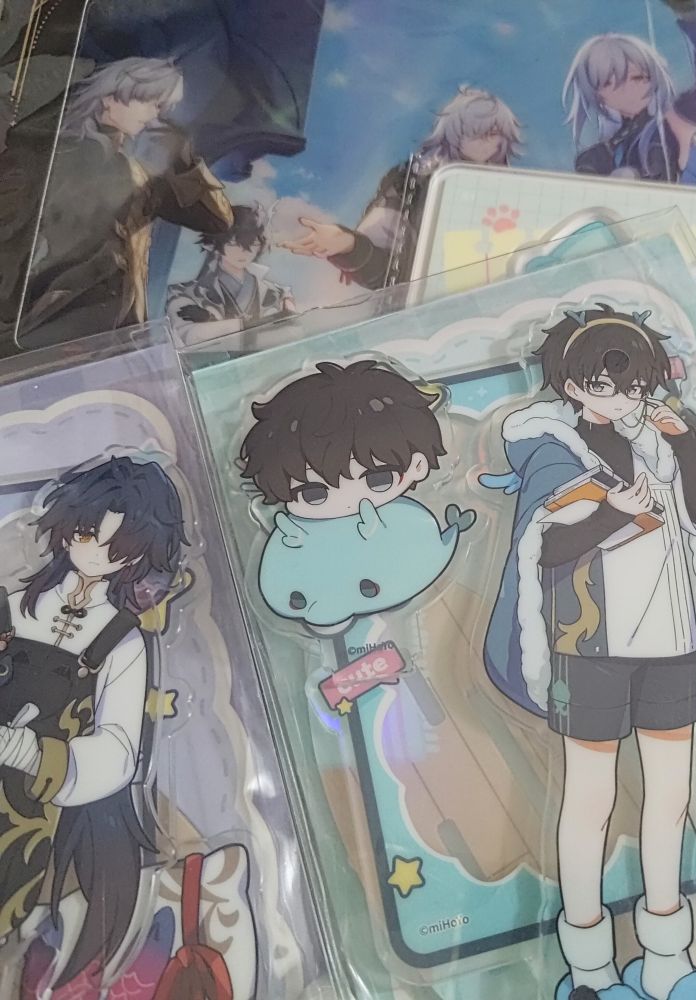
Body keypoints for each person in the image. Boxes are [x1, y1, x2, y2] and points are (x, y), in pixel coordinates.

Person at [480, 305, 696, 1000]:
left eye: (635, 386)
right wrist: (614, 514)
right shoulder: (554, 450)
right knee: (589, 798)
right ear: (571, 386)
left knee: (670, 796)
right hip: (588, 645)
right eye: (605, 386)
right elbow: (545, 549)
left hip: (672, 640)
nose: (624, 398)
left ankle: (668, 954)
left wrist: (685, 448)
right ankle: (589, 966)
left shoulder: (662, 440)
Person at [0, 456, 187, 988]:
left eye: (117, 547)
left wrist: (28, 753)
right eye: (84, 533)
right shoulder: (12, 606)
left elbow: (119, 749)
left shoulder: (122, 641)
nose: (94, 552)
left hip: (31, 812)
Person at [0, 57, 233, 354]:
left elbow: (216, 221)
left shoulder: (137, 173)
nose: (155, 114)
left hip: (117, 329)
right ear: (109, 97)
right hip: (47, 326)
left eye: (163, 107)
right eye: (149, 101)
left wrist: (183, 159)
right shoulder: (45, 158)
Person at [240, 361, 475, 629]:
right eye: (313, 493)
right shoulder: (292, 541)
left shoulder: (407, 524)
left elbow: (425, 555)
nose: (346, 501)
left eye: (378, 479)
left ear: (418, 465)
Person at [281, 86, 522, 289]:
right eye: (476, 133)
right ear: (453, 133)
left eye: (494, 133)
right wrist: (349, 245)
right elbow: (388, 273)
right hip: (430, 309)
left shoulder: (514, 188)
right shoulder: (412, 182)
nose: (487, 142)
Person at [562, 0, 696, 185]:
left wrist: (689, 16)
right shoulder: (606, 152)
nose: (628, 87)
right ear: (598, 95)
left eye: (637, 77)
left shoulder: (670, 123)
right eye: (610, 83)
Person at [166, 204, 295, 345]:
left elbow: (292, 332)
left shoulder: (278, 293)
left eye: (253, 244)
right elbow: (191, 337)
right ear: (214, 244)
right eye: (233, 243)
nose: (244, 252)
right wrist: (267, 325)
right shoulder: (184, 293)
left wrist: (213, 322)